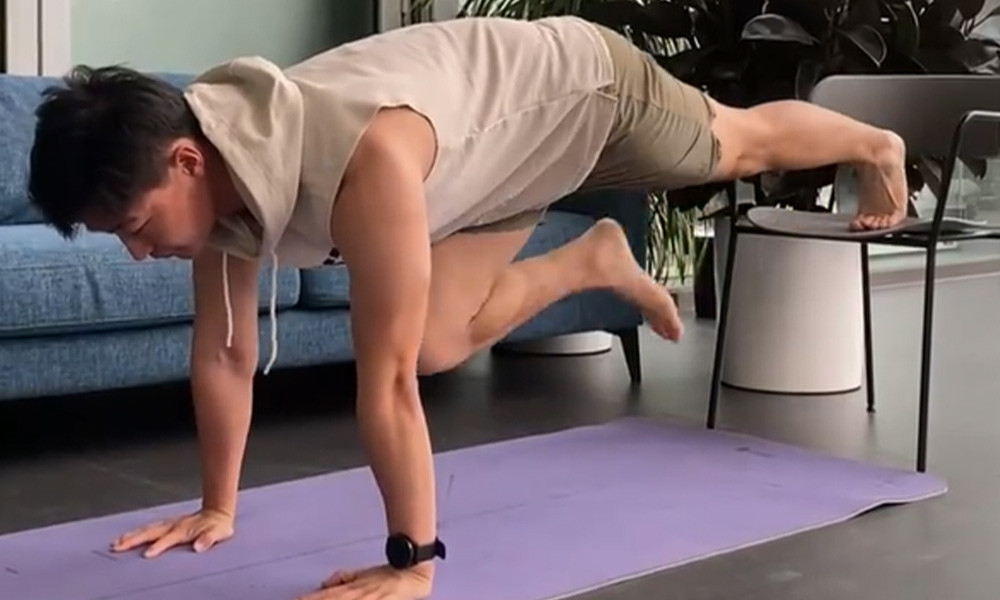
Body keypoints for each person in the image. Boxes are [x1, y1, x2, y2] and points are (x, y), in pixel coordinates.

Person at [26, 15, 909, 600]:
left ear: (184, 162)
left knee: (736, 144)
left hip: (582, 94)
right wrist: (217, 509)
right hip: (490, 168)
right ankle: (590, 258)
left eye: (136, 227)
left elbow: (386, 392)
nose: (138, 251)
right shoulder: (216, 178)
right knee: (437, 343)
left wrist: (411, 563)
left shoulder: (361, 160)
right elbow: (224, 353)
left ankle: (876, 140)